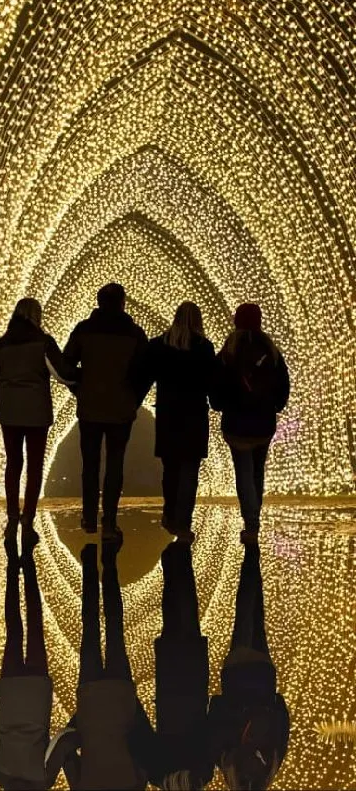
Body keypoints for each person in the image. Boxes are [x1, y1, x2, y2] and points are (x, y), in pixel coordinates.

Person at [48, 542, 151, 789]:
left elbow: (143, 748)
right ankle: (90, 566)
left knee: (115, 628)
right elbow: (67, 750)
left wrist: (134, 706)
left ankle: (109, 561)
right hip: (91, 700)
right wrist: (81, 719)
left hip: (119, 696)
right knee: (91, 627)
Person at [0, 297, 77, 545]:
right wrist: (82, 380)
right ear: (35, 316)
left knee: (13, 462)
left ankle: (12, 514)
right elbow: (62, 374)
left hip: (10, 413)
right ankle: (28, 517)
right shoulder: (43, 342)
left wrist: (8, 398)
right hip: (37, 412)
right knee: (35, 465)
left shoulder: (1, 345)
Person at [63, 283, 147, 540]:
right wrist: (134, 399)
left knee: (90, 463)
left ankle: (89, 518)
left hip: (90, 407)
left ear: (99, 302)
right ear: (123, 303)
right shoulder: (134, 334)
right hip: (121, 408)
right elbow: (144, 372)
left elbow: (66, 366)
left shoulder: (84, 330)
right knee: (115, 463)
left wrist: (81, 387)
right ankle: (109, 520)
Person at [131, 302, 216, 543]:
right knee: (189, 470)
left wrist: (132, 403)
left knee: (171, 469)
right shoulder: (203, 348)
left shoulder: (159, 345)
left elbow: (144, 376)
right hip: (194, 415)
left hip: (169, 414)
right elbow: (211, 382)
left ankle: (169, 515)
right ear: (198, 320)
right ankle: (183, 522)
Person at [207, 544, 290, 790]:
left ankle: (252, 558)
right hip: (237, 674)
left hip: (262, 677)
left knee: (256, 617)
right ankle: (250, 557)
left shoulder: (271, 768)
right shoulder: (227, 764)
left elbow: (283, 721)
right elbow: (216, 712)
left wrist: (272, 699)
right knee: (243, 616)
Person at [212, 303, 289, 544]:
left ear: (236, 321)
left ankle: (252, 524)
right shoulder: (270, 349)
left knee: (243, 472)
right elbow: (283, 384)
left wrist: (220, 404)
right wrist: (275, 406)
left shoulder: (228, 350)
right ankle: (253, 522)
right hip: (264, 423)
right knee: (257, 472)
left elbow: (216, 384)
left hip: (236, 423)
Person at [0, 539, 57, 790]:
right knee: (14, 629)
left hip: (36, 697)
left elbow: (61, 742)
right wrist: (5, 711)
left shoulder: (43, 780)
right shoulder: (1, 777)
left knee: (34, 625)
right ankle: (14, 562)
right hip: (12, 694)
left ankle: (27, 560)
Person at [148, 542, 214, 790]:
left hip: (194, 687)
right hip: (169, 689)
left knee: (188, 619)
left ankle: (181, 559)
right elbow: (146, 739)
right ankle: (171, 564)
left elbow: (210, 731)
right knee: (172, 620)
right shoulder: (158, 775)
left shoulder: (202, 774)